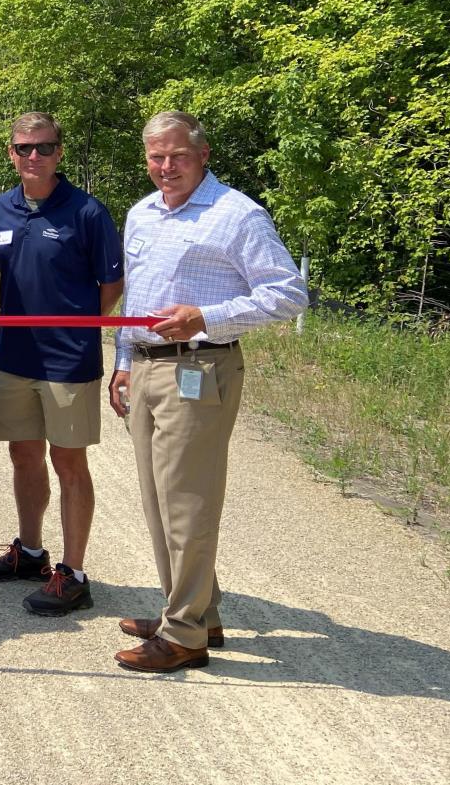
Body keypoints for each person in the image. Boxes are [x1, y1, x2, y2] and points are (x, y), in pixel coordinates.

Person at [108, 111, 306, 672]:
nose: (165, 168)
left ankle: (185, 635)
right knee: (157, 500)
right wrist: (124, 363)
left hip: (199, 368)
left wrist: (207, 317)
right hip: (146, 366)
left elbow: (289, 294)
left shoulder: (236, 215)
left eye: (177, 156)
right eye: (155, 157)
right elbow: (137, 299)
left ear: (204, 154)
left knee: (187, 503)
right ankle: (195, 612)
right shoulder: (142, 213)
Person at [0, 113, 125, 616]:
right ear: (10, 152)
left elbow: (111, 286)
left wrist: (77, 328)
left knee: (69, 463)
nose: (32, 156)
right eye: (23, 148)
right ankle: (31, 552)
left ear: (59, 151)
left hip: (68, 362)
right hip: (14, 357)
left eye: (43, 147)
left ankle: (74, 573)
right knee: (23, 455)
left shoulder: (86, 212)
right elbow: (2, 274)